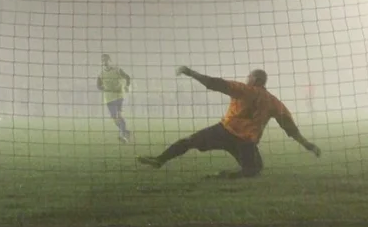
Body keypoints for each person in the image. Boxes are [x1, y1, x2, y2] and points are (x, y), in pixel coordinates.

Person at [137, 66, 321, 178]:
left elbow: (214, 83)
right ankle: (224, 176)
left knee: (190, 141)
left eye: (249, 76)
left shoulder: (244, 89)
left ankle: (159, 160)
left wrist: (190, 72)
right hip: (245, 142)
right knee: (253, 170)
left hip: (223, 132)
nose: (246, 78)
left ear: (254, 79)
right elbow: (289, 127)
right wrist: (307, 144)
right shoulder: (273, 102)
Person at [97, 54, 132, 143]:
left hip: (118, 95)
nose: (104, 62)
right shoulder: (101, 73)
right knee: (114, 118)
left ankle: (122, 135)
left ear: (110, 60)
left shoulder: (117, 69)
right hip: (108, 98)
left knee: (119, 115)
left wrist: (127, 86)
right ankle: (125, 131)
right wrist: (103, 88)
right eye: (103, 60)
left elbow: (127, 77)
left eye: (106, 60)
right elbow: (98, 85)